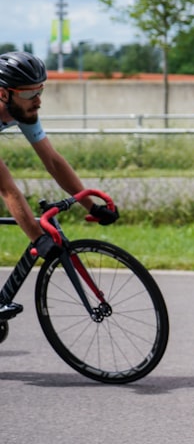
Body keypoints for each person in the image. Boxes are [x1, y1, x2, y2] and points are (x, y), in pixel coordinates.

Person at [0, 51, 119, 316]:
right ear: (4, 94)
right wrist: (36, 236)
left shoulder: (23, 111)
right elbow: (6, 187)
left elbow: (52, 161)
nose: (38, 101)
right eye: (30, 94)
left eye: (40, 91)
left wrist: (91, 206)